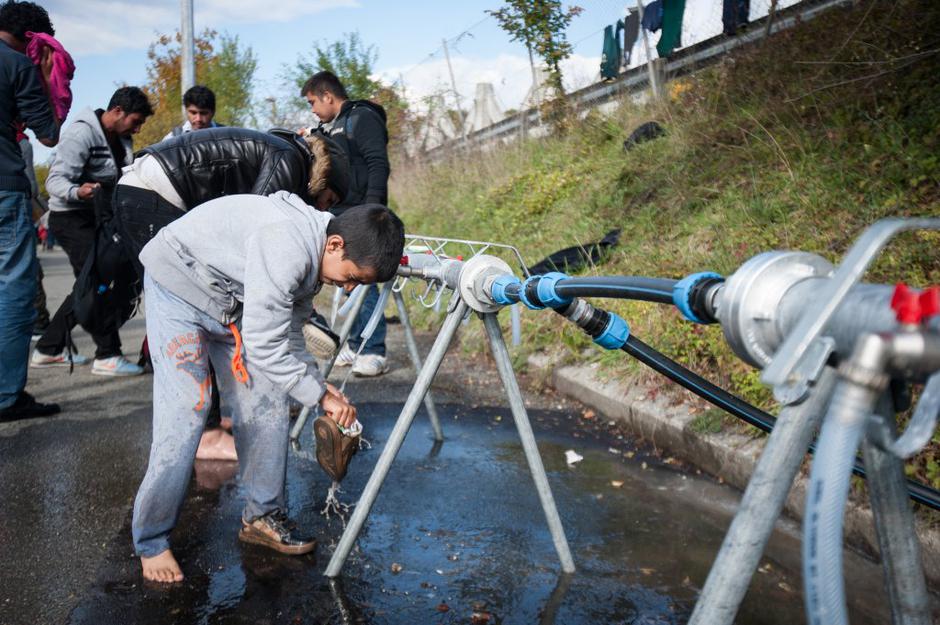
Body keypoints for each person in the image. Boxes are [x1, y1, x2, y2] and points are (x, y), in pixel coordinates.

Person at [132, 196, 404, 583]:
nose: (347, 287)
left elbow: (289, 338)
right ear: (336, 245)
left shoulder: (319, 253)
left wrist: (319, 387)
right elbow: (264, 345)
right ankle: (152, 541)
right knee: (189, 408)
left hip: (229, 301)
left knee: (267, 402)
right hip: (178, 284)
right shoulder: (289, 247)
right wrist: (321, 396)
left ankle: (261, 516)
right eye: (352, 277)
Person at [113, 126, 350, 461]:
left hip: (149, 190)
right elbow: (259, 252)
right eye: (329, 199)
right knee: (197, 309)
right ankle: (207, 433)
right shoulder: (289, 163)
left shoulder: (286, 152)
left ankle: (228, 409)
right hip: (151, 195)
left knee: (225, 313)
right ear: (324, 179)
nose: (325, 208)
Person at [31, 86, 152, 376]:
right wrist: (78, 191)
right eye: (135, 121)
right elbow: (55, 182)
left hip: (99, 220)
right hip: (70, 217)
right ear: (117, 111)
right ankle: (107, 355)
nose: (137, 129)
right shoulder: (82, 134)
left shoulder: (121, 140)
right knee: (95, 281)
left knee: (92, 283)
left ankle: (49, 347)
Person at [301, 70, 392, 378]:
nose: (313, 108)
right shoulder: (333, 126)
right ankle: (354, 344)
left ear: (328, 96)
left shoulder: (363, 118)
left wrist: (373, 210)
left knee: (362, 281)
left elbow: (378, 163)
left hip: (363, 213)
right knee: (346, 284)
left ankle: (374, 350)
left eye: (314, 101)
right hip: (341, 213)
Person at [0, 0, 60, 421]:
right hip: (3, 187)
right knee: (13, 291)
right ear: (31, 40)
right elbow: (50, 134)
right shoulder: (19, 65)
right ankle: (6, 396)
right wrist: (42, 72)